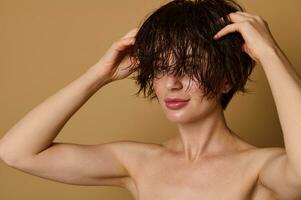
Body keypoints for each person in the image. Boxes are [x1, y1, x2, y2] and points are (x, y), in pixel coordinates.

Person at [0, 0, 301, 199]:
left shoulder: (260, 168)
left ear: (227, 78)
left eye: (190, 66)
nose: (172, 82)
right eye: (160, 67)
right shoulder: (139, 163)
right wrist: (98, 74)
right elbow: (17, 152)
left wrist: (270, 54)